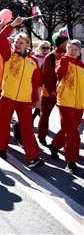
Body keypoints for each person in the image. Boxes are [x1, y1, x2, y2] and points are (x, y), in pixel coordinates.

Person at [0, 17, 44, 168]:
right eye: (16, 42)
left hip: (24, 100)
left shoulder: (33, 61)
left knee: (27, 128)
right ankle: (2, 147)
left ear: (27, 45)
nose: (17, 44)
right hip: (7, 96)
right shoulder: (8, 55)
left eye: (20, 43)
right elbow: (0, 37)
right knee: (3, 124)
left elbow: (35, 82)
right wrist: (13, 25)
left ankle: (33, 158)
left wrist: (34, 98)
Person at [48, 40, 84, 175]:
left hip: (80, 103)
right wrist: (64, 59)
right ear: (66, 49)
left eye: (76, 49)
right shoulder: (63, 62)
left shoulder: (82, 66)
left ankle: (54, 145)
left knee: (70, 128)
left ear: (80, 51)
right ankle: (71, 161)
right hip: (65, 101)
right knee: (73, 132)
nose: (73, 51)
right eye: (70, 48)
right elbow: (60, 72)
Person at [38, 34, 68, 146]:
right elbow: (46, 75)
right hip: (49, 92)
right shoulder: (50, 57)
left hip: (64, 92)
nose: (68, 45)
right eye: (66, 43)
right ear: (60, 44)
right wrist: (51, 89)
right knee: (44, 115)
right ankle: (42, 136)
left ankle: (63, 140)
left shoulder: (70, 56)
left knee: (64, 118)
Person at [32, 40, 51, 121]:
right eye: (43, 47)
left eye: (47, 48)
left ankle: (33, 120)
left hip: (45, 85)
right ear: (39, 48)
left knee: (40, 105)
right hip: (35, 84)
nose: (45, 49)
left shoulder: (50, 58)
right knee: (34, 104)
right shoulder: (35, 57)